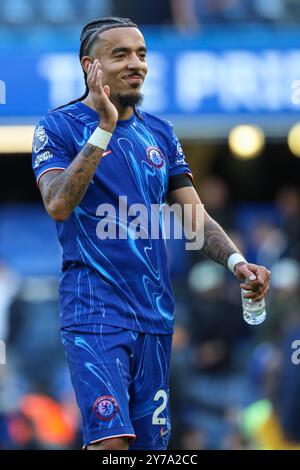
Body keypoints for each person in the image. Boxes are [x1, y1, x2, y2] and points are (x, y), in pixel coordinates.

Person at [31, 17, 271, 451]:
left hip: (155, 316)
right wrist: (103, 129)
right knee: (110, 445)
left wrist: (238, 262)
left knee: (151, 449)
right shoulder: (58, 126)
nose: (135, 63)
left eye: (141, 54)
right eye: (120, 54)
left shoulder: (159, 132)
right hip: (94, 313)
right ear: (91, 66)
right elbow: (58, 204)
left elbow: (195, 219)